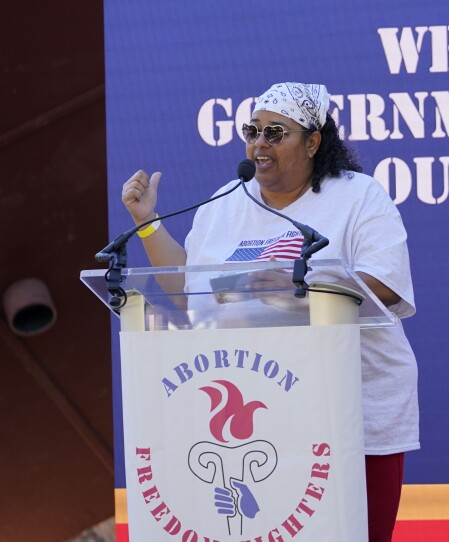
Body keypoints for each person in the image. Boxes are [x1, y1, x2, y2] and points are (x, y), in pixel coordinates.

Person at [121, 82, 419, 542]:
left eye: (275, 133)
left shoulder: (358, 196)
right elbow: (190, 292)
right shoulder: (227, 202)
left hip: (355, 410)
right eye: (252, 131)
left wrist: (295, 289)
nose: (259, 143)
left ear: (313, 141)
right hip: (263, 415)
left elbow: (385, 282)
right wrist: (147, 223)